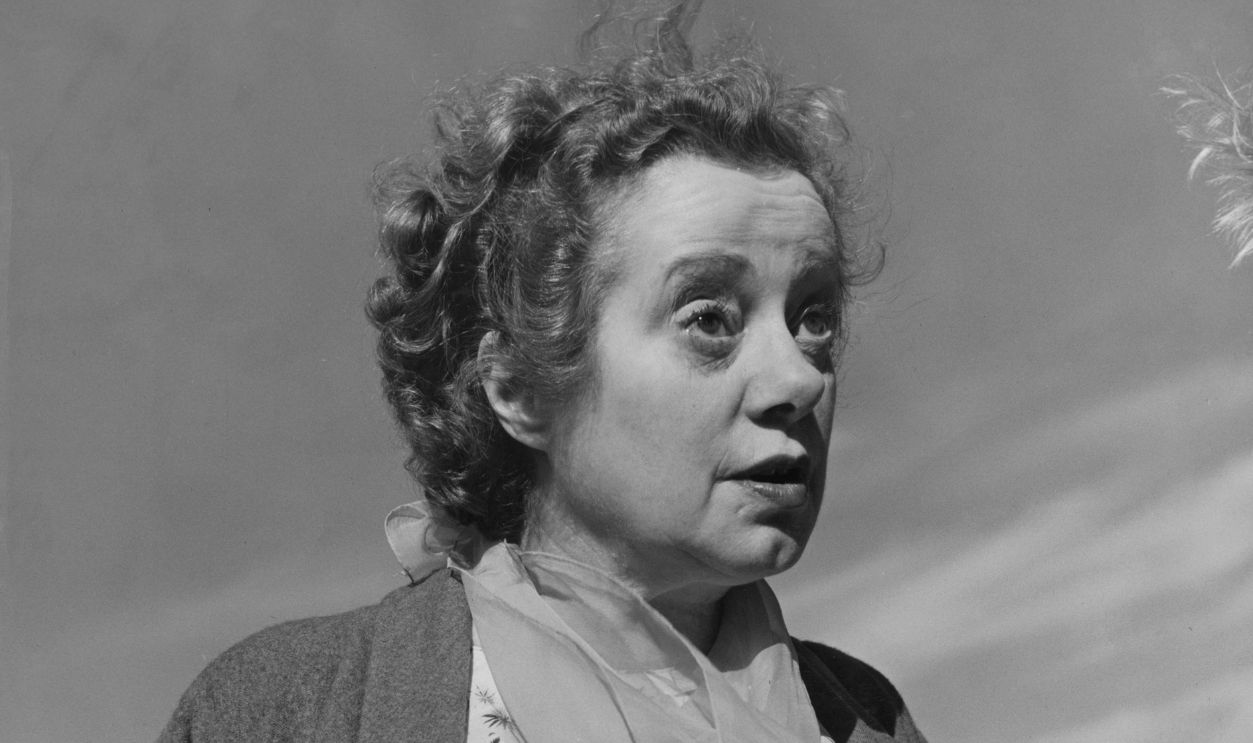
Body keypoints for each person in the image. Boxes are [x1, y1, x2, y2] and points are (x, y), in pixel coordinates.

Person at [158, 4, 927, 741]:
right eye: (709, 319)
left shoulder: (865, 717)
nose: (796, 379)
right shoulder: (283, 711)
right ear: (518, 388)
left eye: (814, 319)